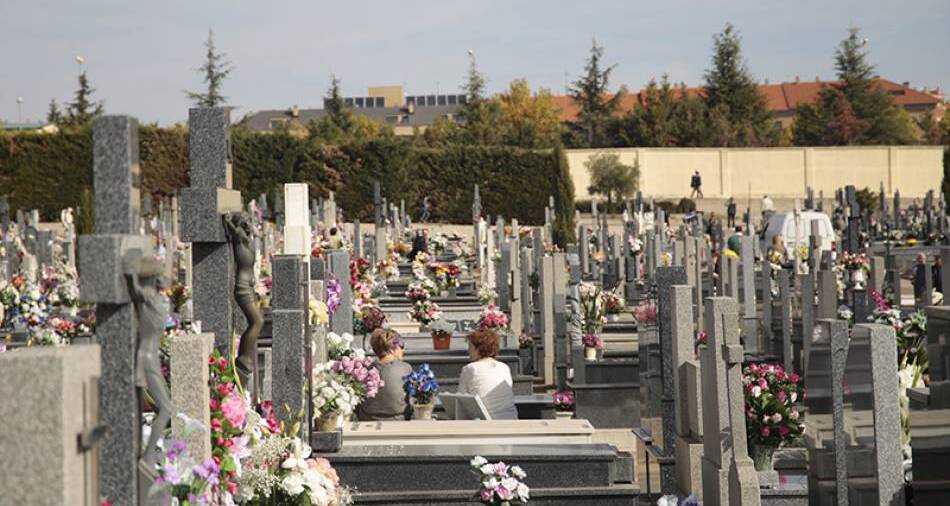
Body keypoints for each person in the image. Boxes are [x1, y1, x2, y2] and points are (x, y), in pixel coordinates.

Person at [458, 328, 518, 420]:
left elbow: (460, 400)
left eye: (470, 347)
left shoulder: (470, 369)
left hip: (484, 423)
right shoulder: (504, 367)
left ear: (478, 349)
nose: (468, 351)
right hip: (510, 420)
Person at [357, 328, 412, 421]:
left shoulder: (364, 369)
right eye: (401, 345)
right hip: (399, 420)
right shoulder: (405, 368)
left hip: (367, 419)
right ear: (391, 349)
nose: (403, 350)